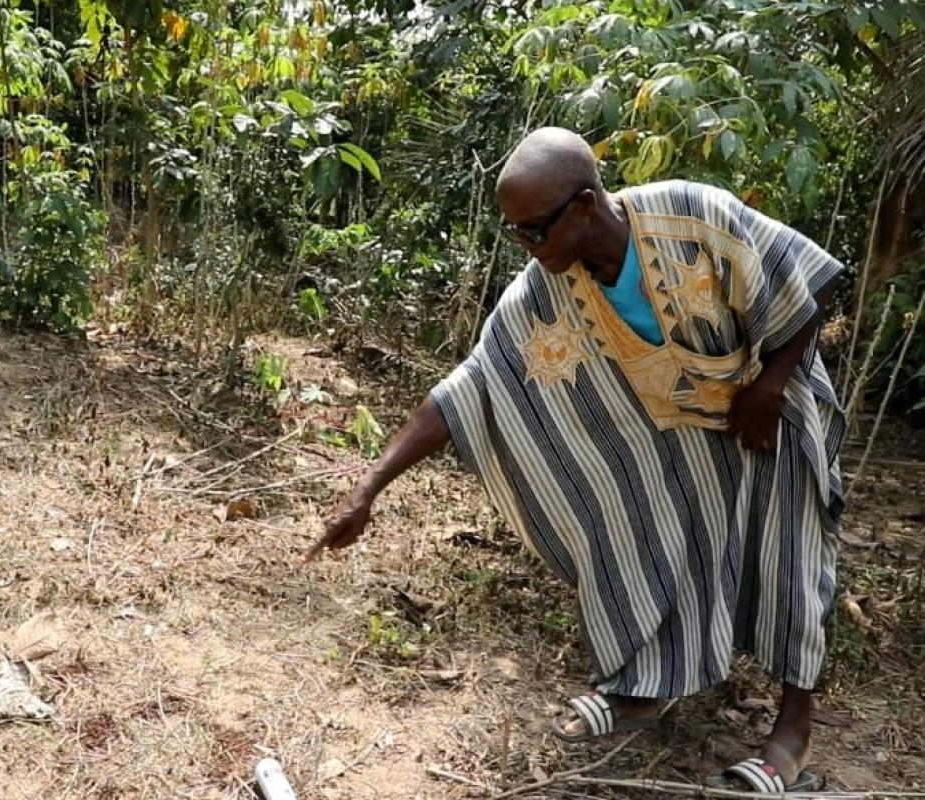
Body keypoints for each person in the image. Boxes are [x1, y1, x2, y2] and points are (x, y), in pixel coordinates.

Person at [305, 127, 846, 793]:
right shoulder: (545, 288)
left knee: (790, 555)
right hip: (691, 431)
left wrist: (768, 389)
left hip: (776, 406)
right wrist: (369, 489)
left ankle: (793, 728)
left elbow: (808, 282)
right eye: (516, 234)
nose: (527, 248)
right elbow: (468, 387)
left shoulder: (695, 215)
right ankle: (650, 686)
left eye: (535, 230)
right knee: (649, 517)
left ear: (587, 204)